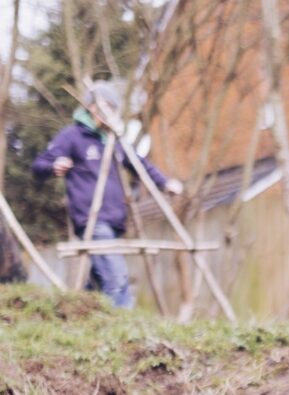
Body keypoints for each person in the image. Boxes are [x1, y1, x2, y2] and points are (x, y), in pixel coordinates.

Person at [32, 80, 182, 308]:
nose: (108, 113)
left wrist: (165, 182)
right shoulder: (73, 136)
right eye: (105, 108)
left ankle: (82, 318)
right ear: (91, 108)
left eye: (113, 109)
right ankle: (127, 330)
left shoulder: (114, 139)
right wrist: (55, 165)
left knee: (98, 281)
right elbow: (39, 165)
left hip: (115, 220)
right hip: (92, 220)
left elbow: (140, 164)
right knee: (116, 277)